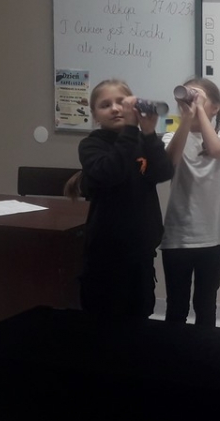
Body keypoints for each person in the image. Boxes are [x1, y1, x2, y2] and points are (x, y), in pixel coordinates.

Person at [68, 78, 174, 321]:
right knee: (104, 315)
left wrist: (149, 133)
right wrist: (130, 129)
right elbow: (110, 172)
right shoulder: (91, 144)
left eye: (121, 103)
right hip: (106, 250)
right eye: (105, 105)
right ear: (95, 115)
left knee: (139, 312)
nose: (115, 109)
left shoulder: (143, 141)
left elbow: (163, 172)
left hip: (140, 248)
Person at [160, 78, 220, 327]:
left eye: (200, 98)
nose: (192, 102)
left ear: (215, 107)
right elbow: (169, 162)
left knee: (205, 304)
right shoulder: (172, 136)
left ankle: (205, 349)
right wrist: (187, 117)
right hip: (178, 236)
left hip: (214, 237)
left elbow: (216, 151)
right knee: (176, 305)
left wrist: (200, 111)